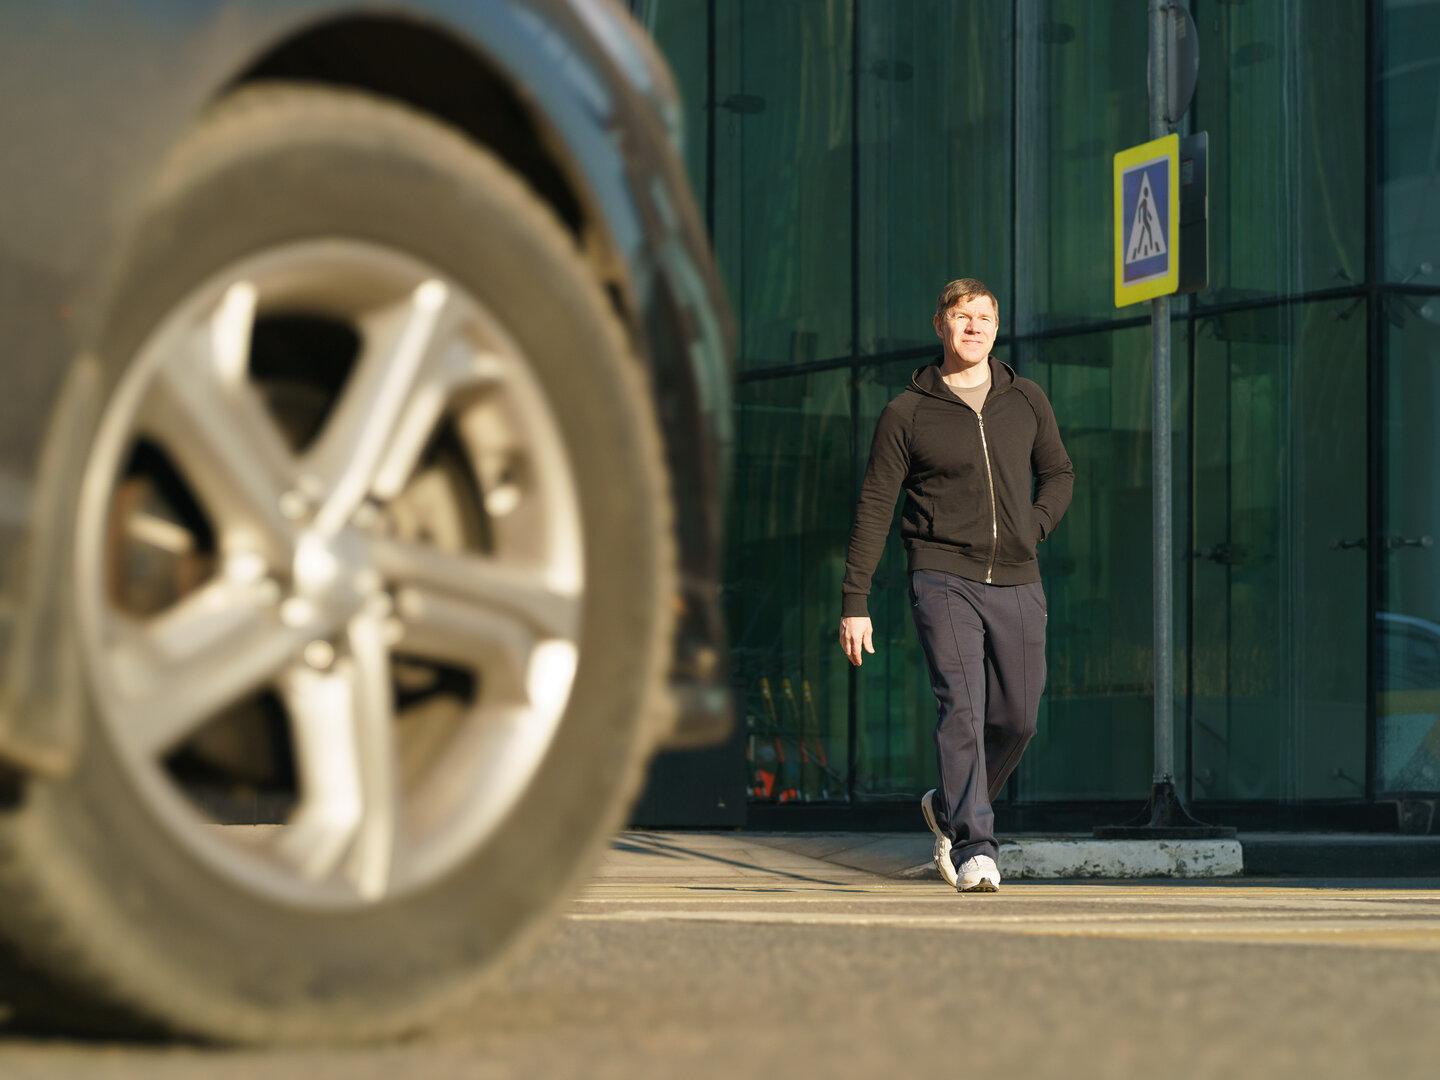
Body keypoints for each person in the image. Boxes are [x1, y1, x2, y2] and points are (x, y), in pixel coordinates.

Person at [837, 278, 1074, 893]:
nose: (975, 327)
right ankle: (975, 845)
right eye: (963, 316)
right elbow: (874, 508)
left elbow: (1059, 474)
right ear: (939, 324)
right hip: (942, 574)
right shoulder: (907, 413)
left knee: (1019, 718)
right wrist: (855, 601)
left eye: (986, 317)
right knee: (962, 709)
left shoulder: (1026, 398)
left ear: (997, 328)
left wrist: (1035, 525)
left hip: (1019, 575)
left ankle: (949, 807)